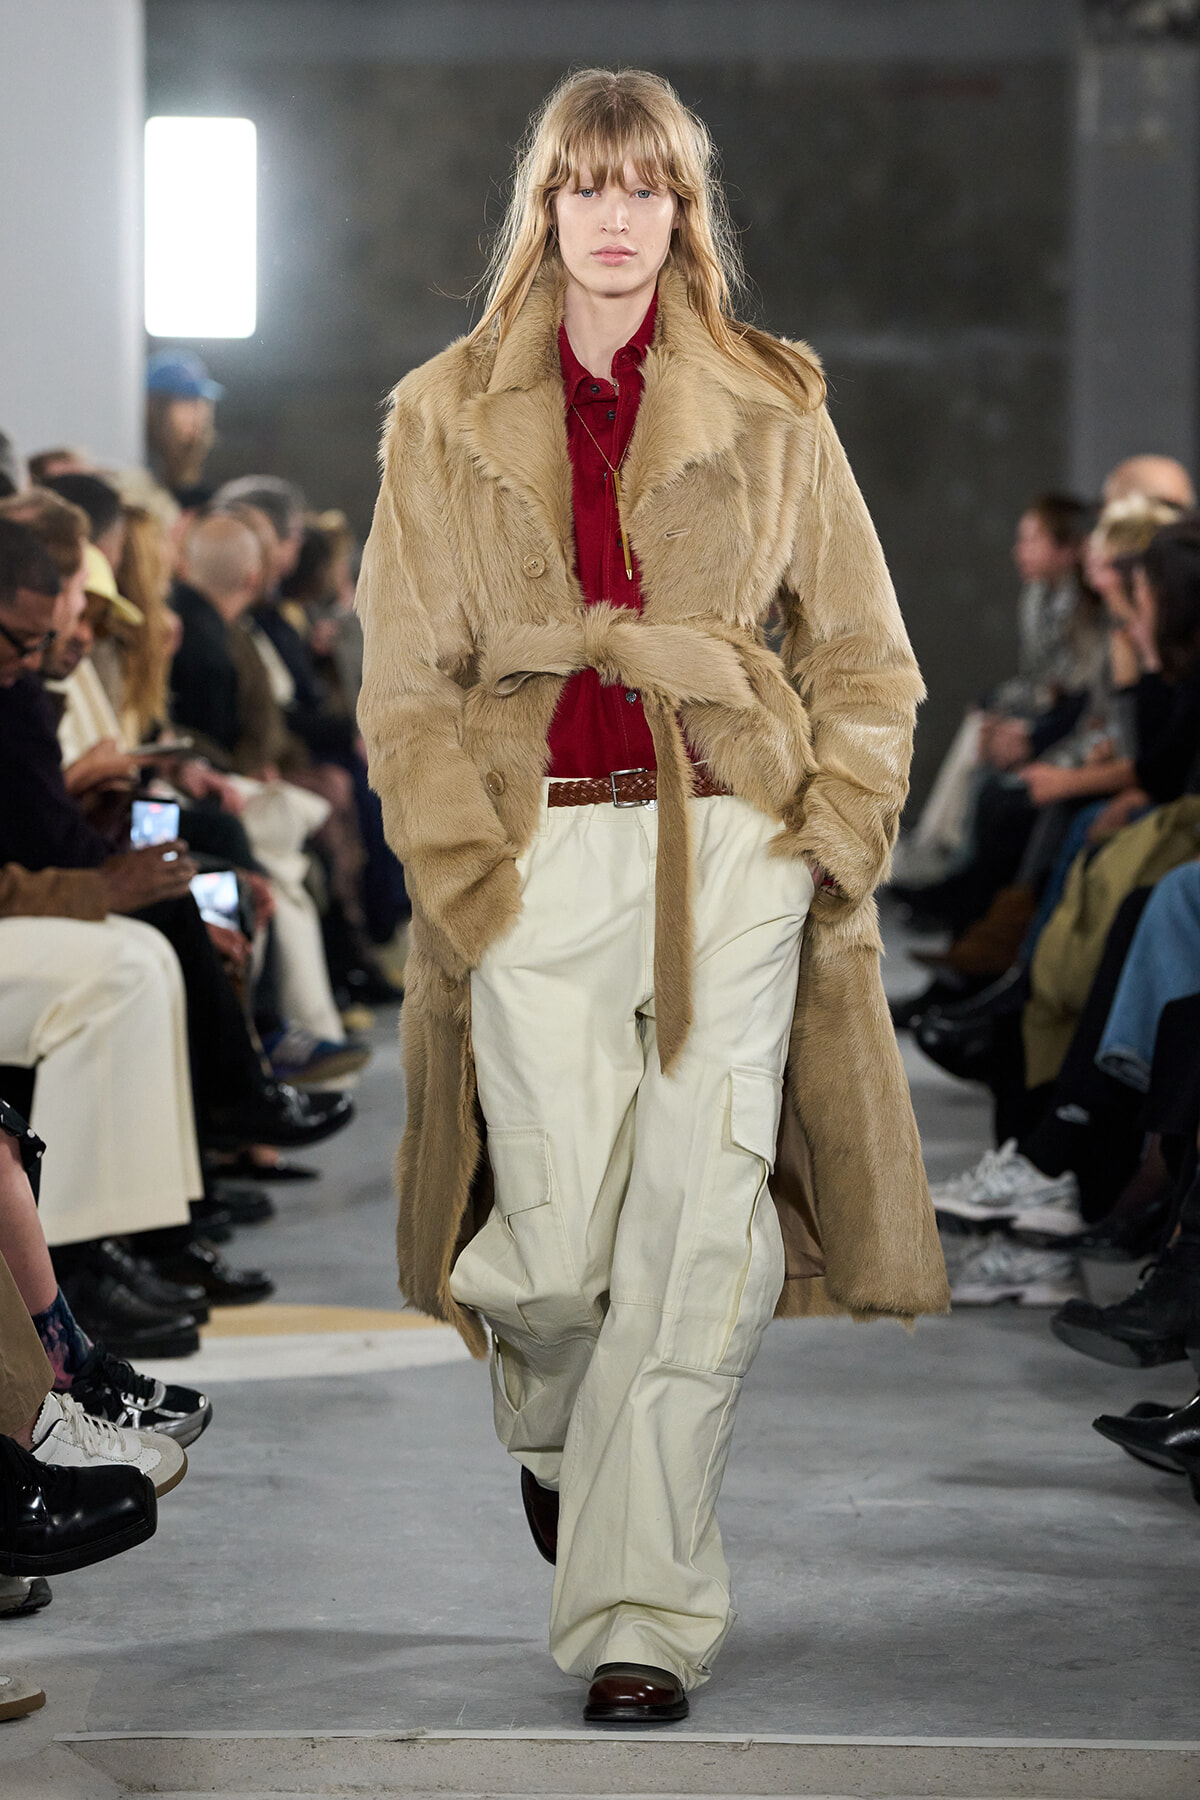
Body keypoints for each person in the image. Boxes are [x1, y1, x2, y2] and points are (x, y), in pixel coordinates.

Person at [357, 67, 947, 1723]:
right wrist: (459, 858)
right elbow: (402, 679)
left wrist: (828, 824)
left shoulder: (772, 402)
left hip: (731, 850)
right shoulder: (442, 410)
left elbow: (862, 652)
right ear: (541, 207)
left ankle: (640, 1612)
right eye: (586, 187)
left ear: (687, 214)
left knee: (696, 1238)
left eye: (650, 190)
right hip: (536, 849)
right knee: (549, 1248)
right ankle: (563, 1430)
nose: (616, 218)